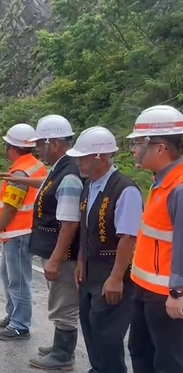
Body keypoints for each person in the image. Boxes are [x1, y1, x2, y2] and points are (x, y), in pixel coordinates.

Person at [0, 115, 83, 369]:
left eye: (41, 144)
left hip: (61, 251)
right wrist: (18, 180)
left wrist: (55, 259)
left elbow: (69, 223)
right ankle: (59, 347)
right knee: (58, 300)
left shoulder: (68, 173)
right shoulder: (62, 167)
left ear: (53, 143)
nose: (38, 149)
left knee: (63, 303)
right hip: (51, 246)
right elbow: (45, 184)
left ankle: (63, 355)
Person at [66, 126, 142, 373]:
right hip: (90, 272)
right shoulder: (90, 186)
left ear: (100, 157)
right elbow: (86, 229)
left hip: (111, 275)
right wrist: (79, 261)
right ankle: (97, 369)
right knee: (91, 327)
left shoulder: (124, 190)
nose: (79, 162)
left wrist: (117, 278)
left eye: (83, 157)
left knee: (108, 336)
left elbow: (128, 238)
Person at [126, 105, 183, 373]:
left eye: (139, 144)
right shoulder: (161, 181)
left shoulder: (179, 188)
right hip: (145, 289)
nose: (134, 150)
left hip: (166, 296)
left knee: (168, 361)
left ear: (160, 148)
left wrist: (178, 293)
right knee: (140, 350)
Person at [0, 123, 47, 341]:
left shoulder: (20, 173)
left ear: (11, 147)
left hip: (18, 233)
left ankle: (20, 324)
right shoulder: (35, 165)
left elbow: (11, 208)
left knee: (18, 280)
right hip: (20, 232)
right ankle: (13, 314)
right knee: (8, 276)